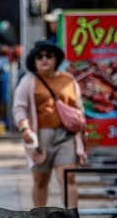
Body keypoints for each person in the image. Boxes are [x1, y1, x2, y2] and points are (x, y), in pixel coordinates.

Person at [12, 40, 86, 209]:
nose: (44, 59)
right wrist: (24, 128)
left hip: (66, 137)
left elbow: (79, 108)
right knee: (40, 180)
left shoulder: (69, 80)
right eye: (39, 57)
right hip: (39, 138)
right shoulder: (28, 81)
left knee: (69, 178)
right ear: (34, 61)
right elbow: (19, 108)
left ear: (56, 59)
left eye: (48, 56)